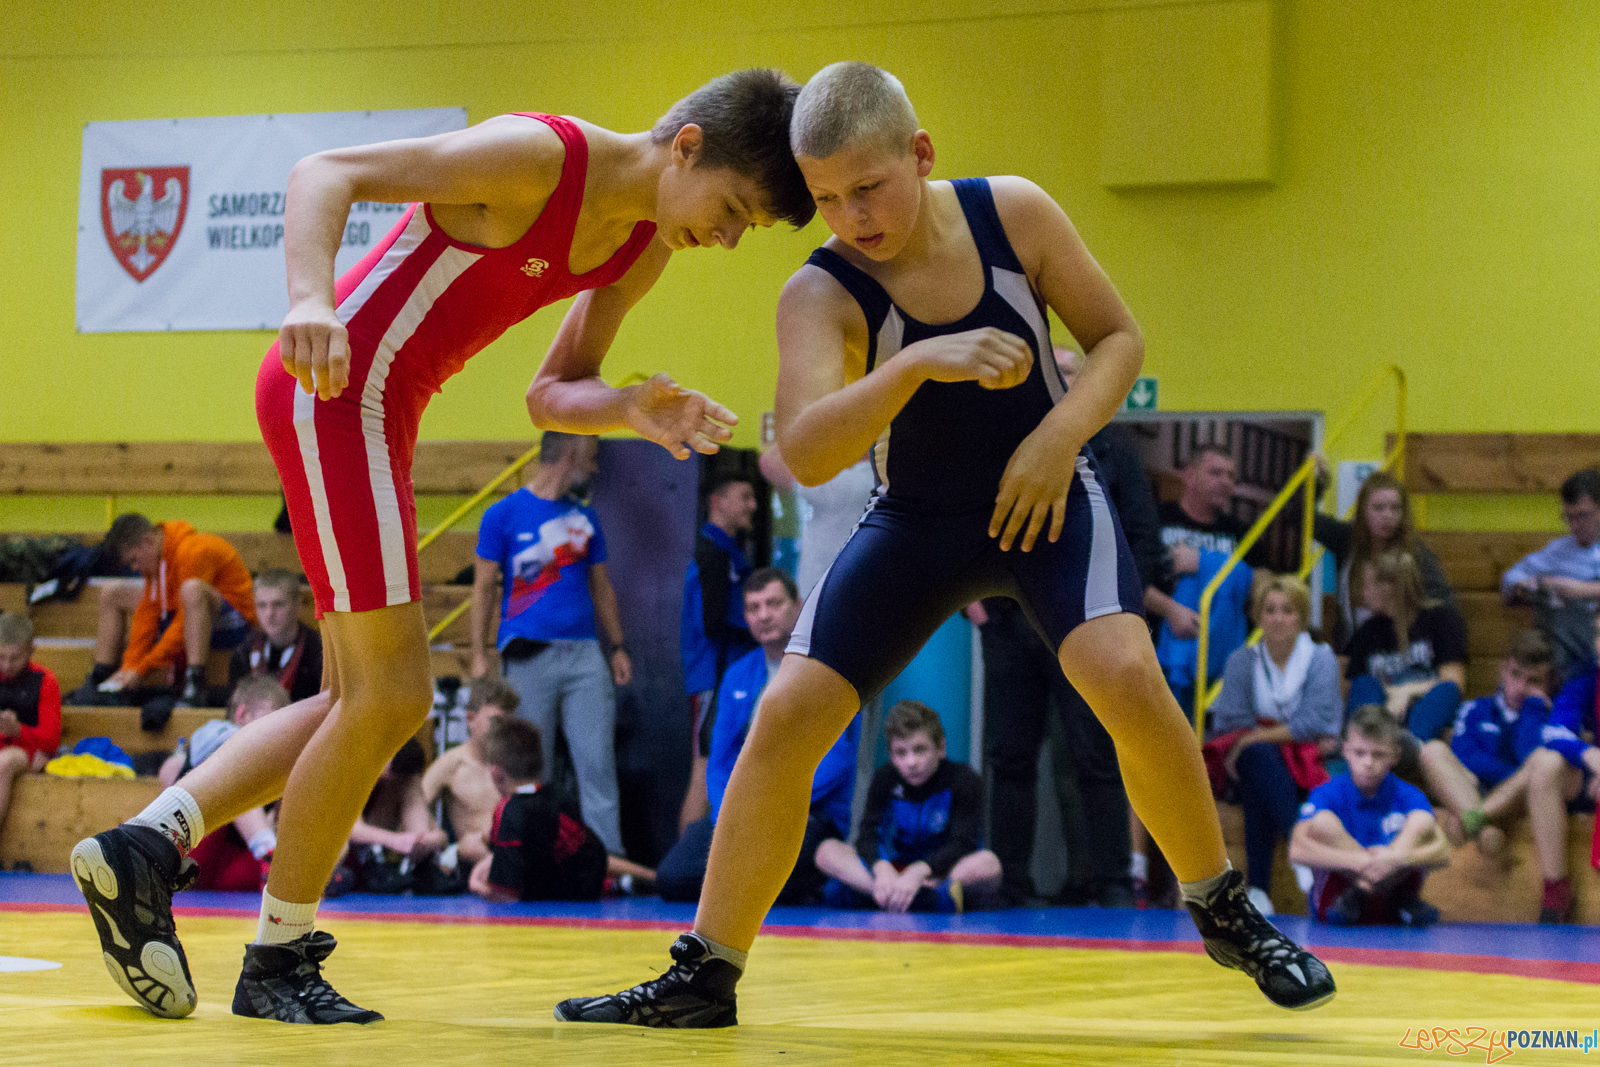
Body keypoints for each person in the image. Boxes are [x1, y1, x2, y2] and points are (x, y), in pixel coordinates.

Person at [556, 62, 1334, 1028]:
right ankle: (707, 967)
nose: (852, 217)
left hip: (1044, 498)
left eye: (869, 188)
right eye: (827, 198)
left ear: (921, 155)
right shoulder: (820, 289)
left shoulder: (1015, 214)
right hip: (919, 517)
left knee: (1126, 673)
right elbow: (802, 447)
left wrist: (1056, 441)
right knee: (786, 716)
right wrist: (917, 360)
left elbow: (1119, 340)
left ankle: (1224, 909)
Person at [72, 69, 815, 1024]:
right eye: (734, 210)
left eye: (745, 229)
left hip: (380, 409)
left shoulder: (640, 245)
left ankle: (146, 847)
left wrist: (630, 406)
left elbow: (551, 394)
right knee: (394, 694)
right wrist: (309, 297)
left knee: (355, 698)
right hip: (336, 390)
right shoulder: (541, 158)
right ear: (687, 146)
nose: (726, 237)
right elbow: (323, 171)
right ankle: (276, 956)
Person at [978, 346, 1156, 908]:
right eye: (1049, 373)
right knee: (1008, 755)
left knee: (1096, 755)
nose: (1059, 382)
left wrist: (1116, 614)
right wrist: (973, 603)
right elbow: (965, 529)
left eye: (1071, 372)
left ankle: (1110, 884)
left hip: (1084, 625)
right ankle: (1009, 883)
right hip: (1010, 625)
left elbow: (1143, 545)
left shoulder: (1116, 455)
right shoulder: (999, 445)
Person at [469, 430, 630, 855]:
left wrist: (617, 646)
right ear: (571, 454)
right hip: (526, 655)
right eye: (591, 457)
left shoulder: (585, 518)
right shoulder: (502, 515)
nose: (593, 467)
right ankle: (525, 854)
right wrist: (479, 655)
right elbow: (484, 587)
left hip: (583, 656)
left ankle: (607, 862)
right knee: (525, 766)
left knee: (597, 765)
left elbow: (602, 587)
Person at [656, 568, 857, 904]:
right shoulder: (738, 675)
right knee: (672, 879)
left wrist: (774, 803)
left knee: (774, 879)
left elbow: (836, 759)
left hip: (803, 812)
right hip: (741, 811)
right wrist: (727, 816)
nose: (764, 615)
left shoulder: (826, 670)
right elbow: (719, 762)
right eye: (753, 607)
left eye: (773, 603)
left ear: (799, 605)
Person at [1206, 575, 1341, 915]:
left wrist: (1258, 734)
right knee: (1257, 760)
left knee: (1256, 763)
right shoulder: (1242, 661)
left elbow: (1317, 722)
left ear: (1301, 617)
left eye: (1288, 610)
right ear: (1258, 616)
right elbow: (1231, 722)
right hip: (1257, 762)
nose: (1278, 618)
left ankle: (1260, 888)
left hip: (1308, 765)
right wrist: (1267, 737)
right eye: (1270, 610)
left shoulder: (1320, 658)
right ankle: (1298, 859)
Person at [816, 700, 998, 912]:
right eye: (901, 753)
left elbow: (963, 843)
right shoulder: (885, 779)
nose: (911, 762)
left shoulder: (964, 779)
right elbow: (867, 835)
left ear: (941, 748)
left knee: (988, 863)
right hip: (895, 873)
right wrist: (882, 869)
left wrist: (920, 871)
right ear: (891, 755)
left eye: (920, 750)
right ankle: (912, 898)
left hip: (942, 874)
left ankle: (897, 897)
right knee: (826, 850)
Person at [1289, 706, 1450, 926]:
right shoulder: (1327, 793)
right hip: (1339, 905)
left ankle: (1377, 892)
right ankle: (1367, 892)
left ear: (1395, 754)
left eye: (1378, 754)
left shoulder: (1409, 794)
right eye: (1360, 753)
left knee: (1422, 822)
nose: (1368, 762)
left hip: (1393, 908)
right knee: (1322, 823)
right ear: (1345, 751)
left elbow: (1442, 851)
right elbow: (1296, 849)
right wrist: (1361, 861)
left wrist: (1394, 858)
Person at [81, 514, 256, 706]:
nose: (135, 568)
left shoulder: (192, 550)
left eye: (134, 560)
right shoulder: (157, 558)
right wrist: (130, 667)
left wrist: (143, 668)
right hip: (194, 617)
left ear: (146, 541)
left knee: (191, 589)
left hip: (236, 624)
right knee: (112, 592)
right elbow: (146, 615)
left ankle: (195, 681)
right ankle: (101, 676)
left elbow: (183, 622)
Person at [678, 474, 759, 831]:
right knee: (705, 763)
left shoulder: (727, 551)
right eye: (745, 496)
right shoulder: (710, 552)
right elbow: (712, 622)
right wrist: (761, 632)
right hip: (713, 675)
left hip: (728, 673)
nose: (752, 506)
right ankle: (682, 866)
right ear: (718, 501)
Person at [160, 676, 293, 892]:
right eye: (270, 724)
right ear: (241, 714)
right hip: (195, 847)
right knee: (234, 775)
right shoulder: (218, 732)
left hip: (224, 867)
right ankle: (270, 851)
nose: (277, 735)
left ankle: (296, 869)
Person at [468, 717, 610, 902]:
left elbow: (507, 895)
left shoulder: (509, 810)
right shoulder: (561, 796)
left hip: (550, 899)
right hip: (587, 890)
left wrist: (478, 888)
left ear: (496, 774)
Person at [1312, 468, 1454, 647]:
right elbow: (1304, 517)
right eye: (1378, 508)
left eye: (1395, 508)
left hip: (1403, 652)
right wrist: (1317, 481)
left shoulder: (1417, 554)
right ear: (1363, 511)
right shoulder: (1346, 539)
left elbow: (1444, 605)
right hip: (1355, 654)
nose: (1387, 516)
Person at [1343, 549, 1469, 747]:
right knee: (1363, 684)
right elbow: (1353, 690)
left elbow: (1454, 681)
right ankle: (1367, 744)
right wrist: (1391, 694)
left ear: (1388, 588)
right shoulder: (1366, 632)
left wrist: (1407, 691)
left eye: (1366, 585)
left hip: (1422, 708)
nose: (1361, 593)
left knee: (1447, 691)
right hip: (1383, 712)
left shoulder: (1441, 619)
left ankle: (1411, 746)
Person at [1525, 627, 1600, 923]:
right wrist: (1590, 755)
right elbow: (1553, 730)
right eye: (1596, 633)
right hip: (1593, 779)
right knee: (1545, 765)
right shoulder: (1587, 680)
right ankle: (1556, 888)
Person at [1502, 468, 1600, 686]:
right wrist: (1530, 586)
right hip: (1568, 659)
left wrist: (1583, 590)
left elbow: (1581, 591)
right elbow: (1511, 578)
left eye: (1583, 516)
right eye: (1569, 517)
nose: (1575, 525)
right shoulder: (1559, 552)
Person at [421, 676, 517, 867]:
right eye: (496, 721)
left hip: (510, 849)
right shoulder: (452, 763)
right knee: (470, 847)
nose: (501, 729)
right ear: (471, 719)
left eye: (506, 723)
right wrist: (437, 834)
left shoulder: (513, 764)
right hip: (470, 855)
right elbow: (416, 801)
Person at [0, 613, 61, 834]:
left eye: (14, 658)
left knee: (3, 763)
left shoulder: (44, 680)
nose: (7, 664)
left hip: (26, 749)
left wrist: (18, 731)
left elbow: (51, 738)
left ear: (29, 651)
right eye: (2, 657)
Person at [227, 569, 323, 705]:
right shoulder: (243, 652)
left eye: (278, 604)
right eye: (261, 605)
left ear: (297, 604)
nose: (269, 614)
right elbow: (234, 711)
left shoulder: (318, 652)